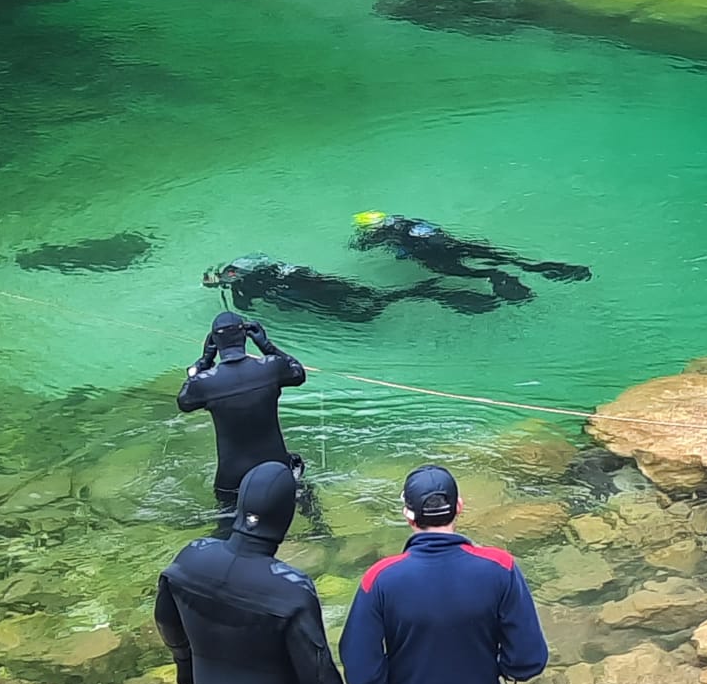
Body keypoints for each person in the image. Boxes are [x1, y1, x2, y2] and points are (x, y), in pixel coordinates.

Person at [153, 462, 361, 684]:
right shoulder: (291, 589)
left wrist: (183, 664)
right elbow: (316, 671)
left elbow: (165, 618)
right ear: (286, 516)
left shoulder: (190, 558)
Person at [339, 466, 548, 684]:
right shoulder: (500, 567)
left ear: (408, 515)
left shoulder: (379, 579)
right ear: (459, 507)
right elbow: (528, 661)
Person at [180, 312, 307, 502]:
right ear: (245, 337)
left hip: (231, 479)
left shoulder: (204, 383)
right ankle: (317, 523)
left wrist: (204, 360)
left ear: (214, 342)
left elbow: (184, 402)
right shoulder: (270, 367)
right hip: (276, 468)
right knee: (301, 486)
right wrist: (266, 345)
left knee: (229, 526)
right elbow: (298, 373)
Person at [351, 213, 592, 302]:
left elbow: (360, 247)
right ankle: (533, 267)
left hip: (431, 254)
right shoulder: (407, 221)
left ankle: (492, 275)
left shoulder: (381, 234)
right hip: (454, 243)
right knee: (509, 258)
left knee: (461, 271)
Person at [205, 255, 497, 320]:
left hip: (305, 291)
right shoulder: (252, 268)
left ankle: (427, 291)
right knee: (366, 294)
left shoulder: (240, 286)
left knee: (361, 316)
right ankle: (426, 289)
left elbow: (245, 308)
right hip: (313, 280)